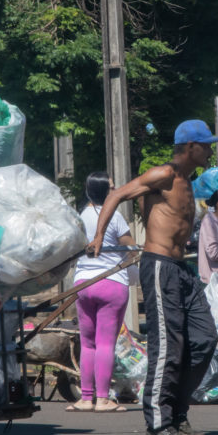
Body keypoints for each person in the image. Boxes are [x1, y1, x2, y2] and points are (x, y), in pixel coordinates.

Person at [88, 119, 218, 435]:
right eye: (206, 145)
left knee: (205, 339)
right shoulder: (163, 174)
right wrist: (99, 236)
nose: (210, 150)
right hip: (159, 266)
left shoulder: (190, 182)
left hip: (180, 270)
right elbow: (117, 194)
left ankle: (177, 412)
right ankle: (159, 426)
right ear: (190, 147)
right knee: (168, 347)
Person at [68, 171, 137, 413]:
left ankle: (86, 398)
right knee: (105, 343)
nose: (116, 188)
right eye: (111, 187)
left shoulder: (78, 217)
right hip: (111, 283)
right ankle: (103, 399)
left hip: (83, 284)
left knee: (87, 344)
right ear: (104, 192)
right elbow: (131, 248)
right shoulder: (115, 217)